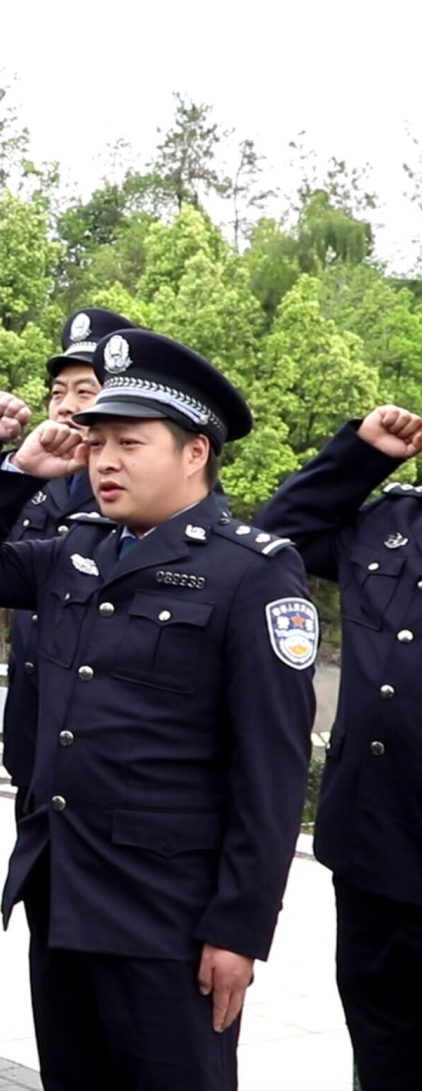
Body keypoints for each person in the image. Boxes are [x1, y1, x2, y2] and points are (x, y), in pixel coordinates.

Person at [0, 328, 318, 1090]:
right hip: (65, 896)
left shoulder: (252, 576)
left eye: (128, 443)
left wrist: (238, 929)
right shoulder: (77, 549)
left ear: (195, 451)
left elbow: (271, 769)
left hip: (168, 918)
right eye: (94, 440)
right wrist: (17, 470)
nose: (103, 461)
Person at [252, 405, 422, 1089]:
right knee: (382, 1048)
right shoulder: (391, 522)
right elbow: (275, 538)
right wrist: (362, 455)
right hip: (375, 845)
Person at [0, 308, 135, 809]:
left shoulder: (136, 491)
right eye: (57, 392)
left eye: (84, 392)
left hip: (109, 753)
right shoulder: (40, 477)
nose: (65, 406)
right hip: (35, 733)